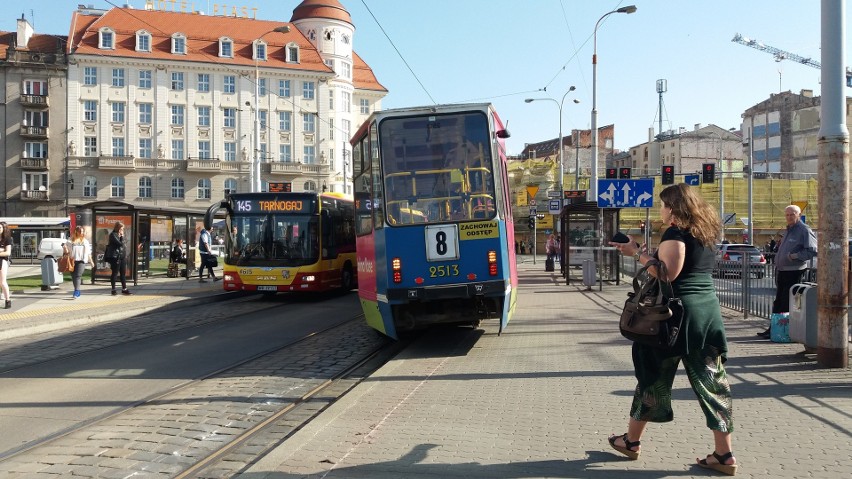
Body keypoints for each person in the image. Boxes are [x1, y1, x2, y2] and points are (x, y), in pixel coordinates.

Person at [608, 184, 736, 476]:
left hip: (673, 319)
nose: (661, 210)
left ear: (675, 209)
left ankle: (631, 442)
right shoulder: (704, 232)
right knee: (713, 385)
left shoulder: (675, 233)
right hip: (706, 315)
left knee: (653, 377)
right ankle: (724, 454)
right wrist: (645, 251)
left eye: (664, 205)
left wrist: (635, 254)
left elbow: (667, 273)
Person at [760, 205, 817, 338]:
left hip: (794, 271)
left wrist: (794, 256)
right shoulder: (789, 230)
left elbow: (812, 250)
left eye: (792, 214)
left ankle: (784, 331)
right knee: (778, 301)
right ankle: (773, 329)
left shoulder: (804, 230)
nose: (789, 217)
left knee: (787, 302)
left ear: (799, 214)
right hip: (782, 271)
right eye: (787, 215)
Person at [65, 226, 94, 299]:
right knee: (74, 276)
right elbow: (67, 252)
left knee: (78, 276)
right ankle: (77, 290)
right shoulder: (70, 241)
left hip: (81, 261)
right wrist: (65, 248)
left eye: (83, 231)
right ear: (76, 232)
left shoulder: (85, 241)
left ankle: (76, 291)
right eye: (80, 231)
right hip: (72, 261)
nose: (82, 233)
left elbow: (88, 253)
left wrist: (91, 262)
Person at [106, 222, 132, 296]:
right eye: (121, 229)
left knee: (123, 273)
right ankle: (113, 289)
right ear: (117, 228)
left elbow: (125, 243)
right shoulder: (113, 235)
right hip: (116, 257)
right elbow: (120, 243)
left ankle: (124, 289)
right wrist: (121, 237)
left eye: (122, 229)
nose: (122, 230)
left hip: (122, 257)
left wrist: (122, 237)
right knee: (115, 273)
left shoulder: (121, 235)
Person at [0, 222, 12, 309]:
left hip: (3, 261)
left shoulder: (7, 239)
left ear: (4, 229)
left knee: (2, 282)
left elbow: (7, 252)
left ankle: (8, 300)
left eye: (0, 228)